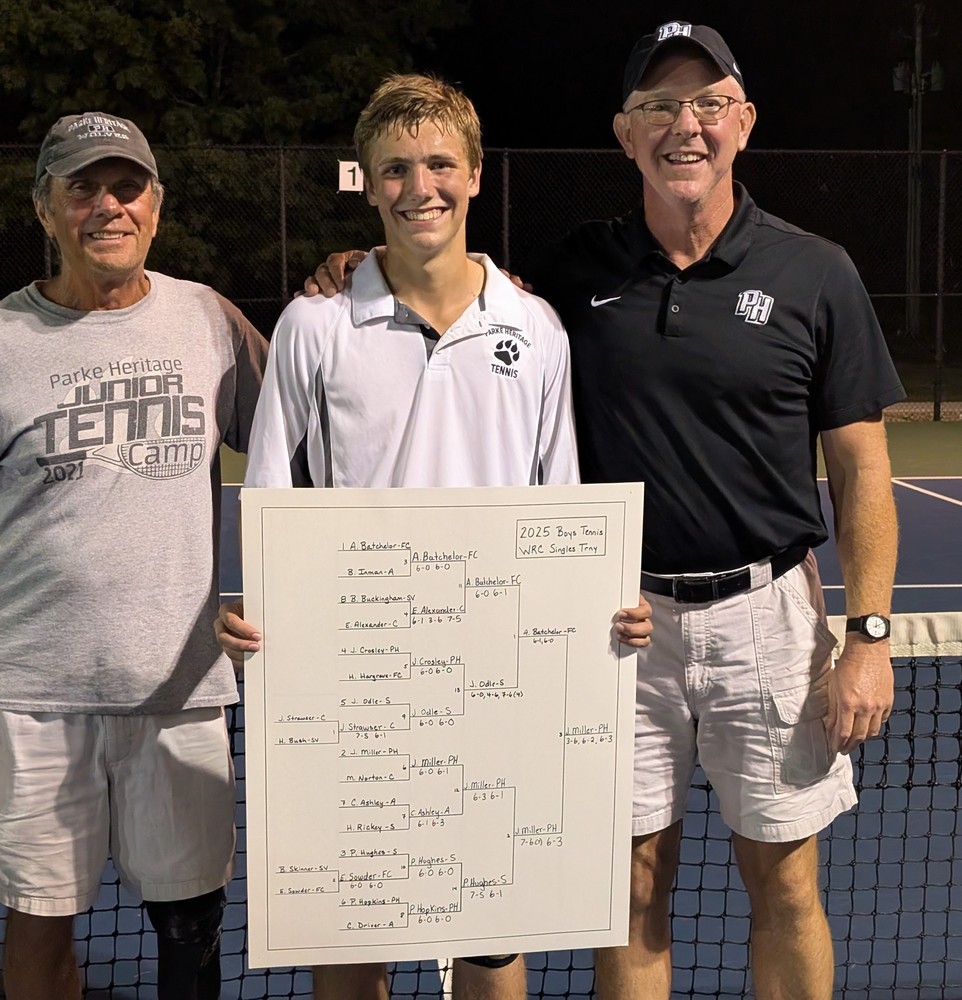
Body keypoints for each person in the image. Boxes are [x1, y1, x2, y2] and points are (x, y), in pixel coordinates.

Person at [307, 22, 904, 1000]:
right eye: (658, 108)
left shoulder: (815, 274)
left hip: (770, 623)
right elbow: (452, 297)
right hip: (613, 630)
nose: (685, 126)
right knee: (627, 889)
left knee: (785, 884)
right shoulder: (574, 272)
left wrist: (867, 634)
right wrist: (357, 271)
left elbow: (859, 468)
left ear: (743, 124)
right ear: (622, 135)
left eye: (708, 104)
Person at [215, 73, 652, 1000]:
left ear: (477, 175)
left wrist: (600, 610)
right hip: (351, 677)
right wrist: (253, 610)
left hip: (497, 683)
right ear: (368, 184)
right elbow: (269, 496)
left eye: (441, 164)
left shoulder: (535, 329)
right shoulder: (313, 325)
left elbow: (559, 505)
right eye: (398, 169)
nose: (423, 186)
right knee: (350, 937)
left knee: (494, 943)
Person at [0, 112, 268, 1000]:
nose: (107, 206)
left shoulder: (209, 319)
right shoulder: (3, 339)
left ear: (156, 205)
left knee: (191, 933)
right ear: (44, 208)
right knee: (40, 925)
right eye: (82, 187)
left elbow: (299, 439)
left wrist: (354, 292)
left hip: (182, 691)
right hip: (33, 696)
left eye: (127, 187)